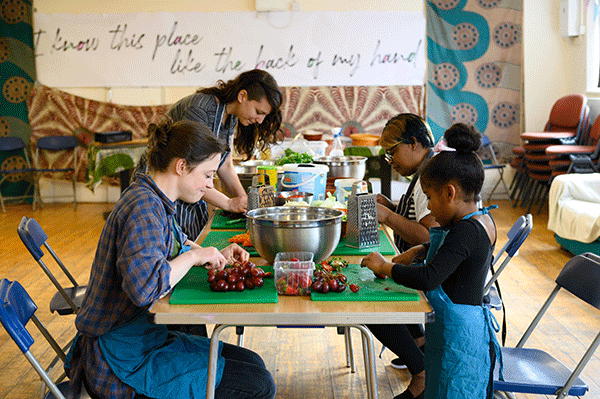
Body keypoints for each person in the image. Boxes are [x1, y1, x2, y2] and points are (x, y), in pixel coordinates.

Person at [65, 118, 276, 399]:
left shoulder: (154, 199)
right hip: (118, 358)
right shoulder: (143, 209)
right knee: (258, 384)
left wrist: (211, 254)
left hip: (141, 337)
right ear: (181, 166)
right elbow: (144, 289)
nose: (210, 185)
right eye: (207, 174)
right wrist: (193, 258)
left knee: (253, 365)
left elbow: (173, 244)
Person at [361, 123, 500, 399]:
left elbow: (428, 278)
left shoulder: (465, 231)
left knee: (452, 391)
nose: (431, 208)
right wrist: (421, 249)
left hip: (459, 341)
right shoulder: (478, 219)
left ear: (449, 193)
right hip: (450, 332)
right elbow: (456, 252)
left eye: (431, 199)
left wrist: (385, 267)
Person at [165, 68, 283, 241]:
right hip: (165, 194)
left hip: (188, 194)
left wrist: (246, 205)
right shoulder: (200, 110)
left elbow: (225, 165)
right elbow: (189, 174)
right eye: (259, 112)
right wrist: (229, 203)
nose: (260, 120)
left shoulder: (230, 115)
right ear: (242, 96)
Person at [366, 114, 438, 381]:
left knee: (371, 300)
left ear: (415, 143)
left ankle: (420, 373)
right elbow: (417, 218)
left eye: (392, 151)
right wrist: (392, 206)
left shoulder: (431, 176)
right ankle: (418, 347)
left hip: (434, 271)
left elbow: (428, 236)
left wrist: (386, 216)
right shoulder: (425, 170)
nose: (391, 160)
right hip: (422, 264)